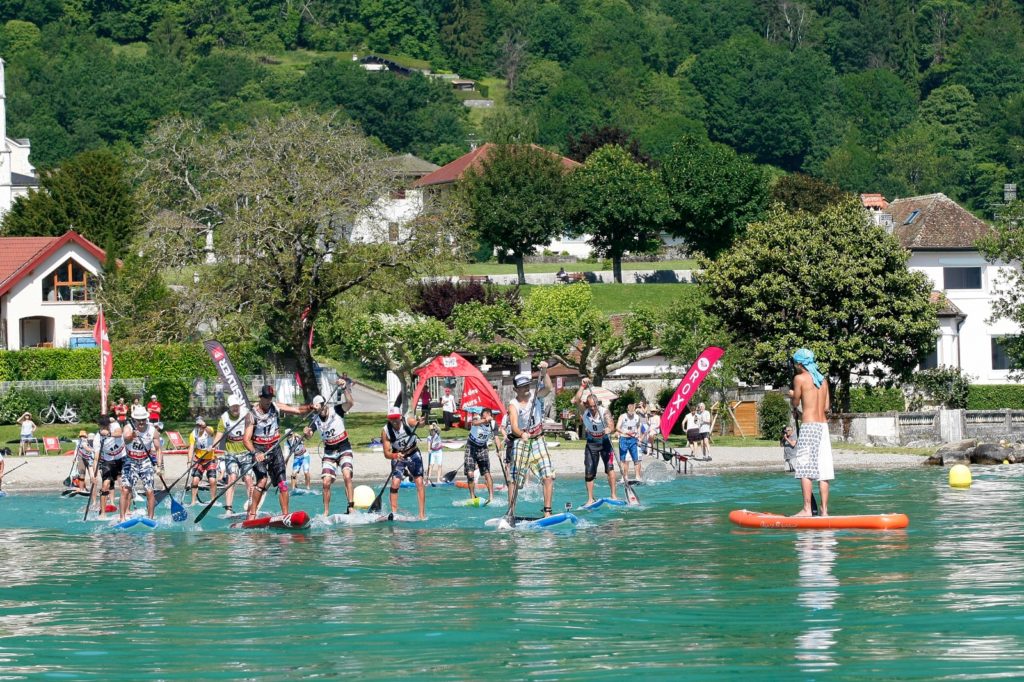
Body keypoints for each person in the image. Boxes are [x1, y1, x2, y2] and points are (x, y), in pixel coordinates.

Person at [244, 384, 312, 521]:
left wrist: (311, 407)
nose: (268, 400)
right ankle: (252, 514)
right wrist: (255, 453)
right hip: (259, 449)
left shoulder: (275, 407)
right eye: (266, 398)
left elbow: (297, 410)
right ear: (260, 397)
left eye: (270, 397)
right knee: (262, 481)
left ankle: (285, 515)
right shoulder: (251, 415)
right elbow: (246, 440)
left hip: (274, 448)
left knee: (283, 483)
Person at [789, 348, 833, 517]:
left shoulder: (799, 378)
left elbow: (796, 402)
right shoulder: (823, 380)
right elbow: (826, 407)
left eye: (795, 363)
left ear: (800, 364)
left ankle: (807, 509)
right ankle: (824, 511)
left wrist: (792, 394)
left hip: (809, 427)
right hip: (823, 427)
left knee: (805, 467)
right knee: (824, 470)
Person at [506, 363, 555, 516]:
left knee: (548, 476)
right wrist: (522, 434)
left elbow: (549, 388)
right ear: (516, 389)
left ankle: (547, 512)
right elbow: (514, 427)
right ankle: (511, 512)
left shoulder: (536, 396)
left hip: (538, 440)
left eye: (527, 385)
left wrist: (544, 371)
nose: (526, 388)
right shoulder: (513, 405)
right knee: (515, 480)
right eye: (522, 386)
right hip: (522, 441)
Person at [305, 378, 355, 516]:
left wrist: (344, 388)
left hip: (344, 447)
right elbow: (309, 436)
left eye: (321, 407)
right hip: (329, 452)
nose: (320, 411)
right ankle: (326, 512)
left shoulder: (337, 410)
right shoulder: (315, 419)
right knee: (326, 482)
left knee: (346, 475)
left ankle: (351, 507)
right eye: (317, 409)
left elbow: (350, 403)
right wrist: (306, 433)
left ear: (325, 404)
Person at [572, 379, 617, 506]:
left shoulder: (604, 411)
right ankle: (590, 499)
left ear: (598, 403)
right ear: (587, 405)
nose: (592, 408)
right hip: (592, 443)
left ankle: (613, 495)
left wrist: (609, 429)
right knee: (589, 470)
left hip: (605, 442)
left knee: (610, 468)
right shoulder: (585, 411)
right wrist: (582, 386)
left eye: (594, 406)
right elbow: (576, 400)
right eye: (590, 406)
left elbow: (611, 425)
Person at [382, 406, 426, 520]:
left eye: (396, 418)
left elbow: (419, 424)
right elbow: (386, 453)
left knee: (419, 482)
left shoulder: (407, 421)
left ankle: (421, 515)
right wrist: (395, 456)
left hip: (413, 453)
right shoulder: (386, 431)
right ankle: (393, 513)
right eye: (391, 419)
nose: (394, 421)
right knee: (395, 483)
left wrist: (421, 422)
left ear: (400, 417)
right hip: (398, 455)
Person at [121, 405, 162, 521]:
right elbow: (125, 440)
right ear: (134, 419)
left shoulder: (153, 430)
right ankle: (122, 518)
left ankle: (150, 518)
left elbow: (158, 450)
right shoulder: (128, 427)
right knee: (125, 489)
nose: (141, 422)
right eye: (138, 420)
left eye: (143, 419)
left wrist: (159, 466)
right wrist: (133, 436)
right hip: (130, 460)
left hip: (145, 461)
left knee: (149, 490)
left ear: (146, 419)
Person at [214, 395, 253, 514]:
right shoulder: (224, 418)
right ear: (229, 407)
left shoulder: (246, 413)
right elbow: (219, 434)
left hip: (246, 451)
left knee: (248, 478)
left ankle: (252, 506)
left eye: (237, 406)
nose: (235, 408)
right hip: (231, 452)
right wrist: (213, 447)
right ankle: (228, 509)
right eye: (233, 406)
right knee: (232, 478)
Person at [92, 416, 126, 519]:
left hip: (122, 456)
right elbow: (96, 458)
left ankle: (127, 511)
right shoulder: (97, 438)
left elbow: (119, 433)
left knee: (124, 485)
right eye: (102, 427)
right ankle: (103, 513)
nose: (104, 428)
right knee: (105, 485)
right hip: (109, 460)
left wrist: (109, 434)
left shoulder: (114, 425)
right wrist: (94, 475)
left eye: (106, 426)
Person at [464, 407, 498, 504]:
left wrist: (499, 449)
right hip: (471, 446)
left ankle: (491, 497)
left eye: (487, 416)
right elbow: (474, 423)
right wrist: (484, 420)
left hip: (483, 447)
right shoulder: (477, 419)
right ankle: (472, 497)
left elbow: (496, 438)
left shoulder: (493, 424)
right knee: (470, 474)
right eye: (484, 416)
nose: (486, 418)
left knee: (487, 473)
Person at [187, 417, 218, 506]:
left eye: (201, 425)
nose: (199, 427)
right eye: (198, 425)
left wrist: (204, 426)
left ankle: (213, 500)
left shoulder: (209, 429)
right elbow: (191, 448)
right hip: (199, 459)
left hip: (210, 459)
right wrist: (189, 462)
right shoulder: (193, 434)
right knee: (195, 480)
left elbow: (211, 433)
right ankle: (193, 501)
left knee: (212, 480)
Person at [616, 403, 643, 482]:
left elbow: (638, 426)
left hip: (633, 439)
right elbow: (617, 427)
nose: (631, 414)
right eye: (630, 412)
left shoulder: (637, 417)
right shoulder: (622, 416)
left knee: (636, 459)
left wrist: (639, 436)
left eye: (632, 412)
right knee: (623, 459)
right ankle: (623, 477)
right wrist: (624, 432)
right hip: (623, 439)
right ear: (627, 410)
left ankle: (638, 477)